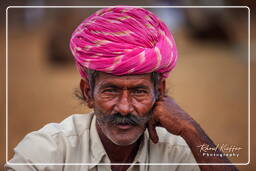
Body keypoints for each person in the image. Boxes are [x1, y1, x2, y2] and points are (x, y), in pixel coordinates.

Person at [5, 6, 238, 171]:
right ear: (88, 93)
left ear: (160, 92)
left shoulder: (179, 149)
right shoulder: (51, 150)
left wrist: (191, 129)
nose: (125, 108)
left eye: (139, 91)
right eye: (111, 91)